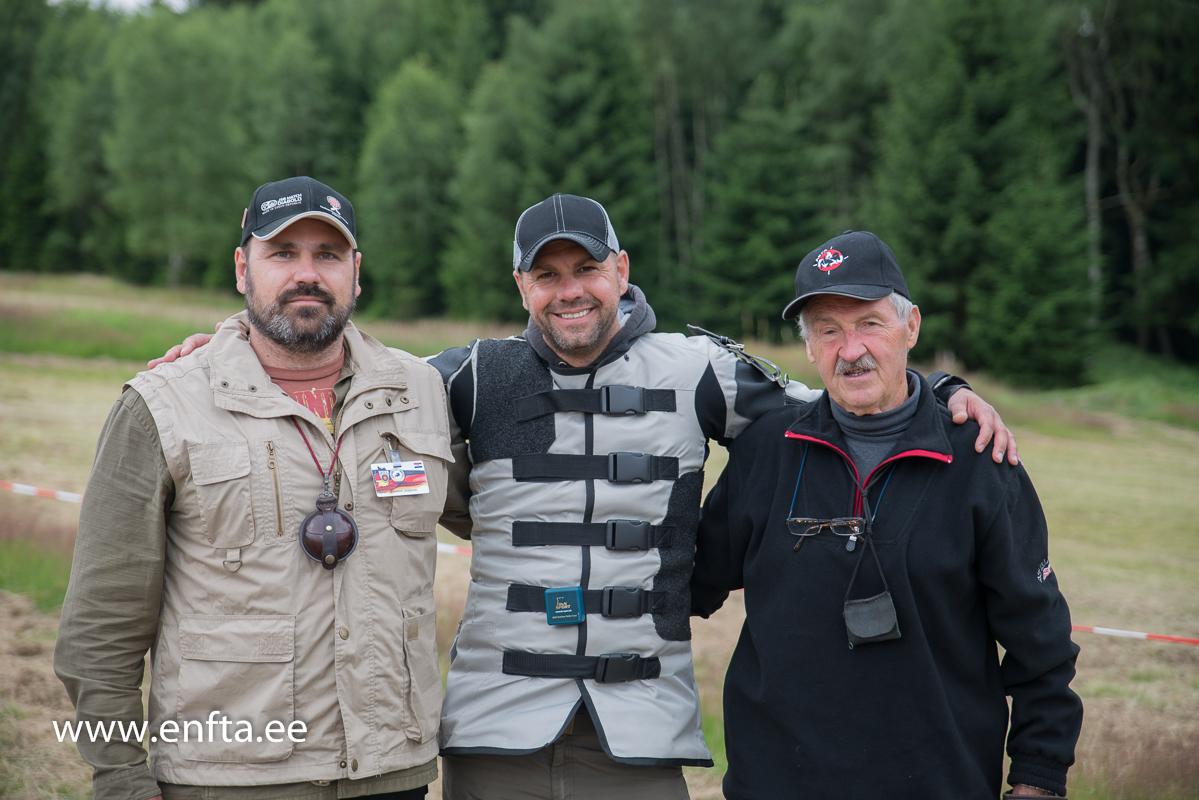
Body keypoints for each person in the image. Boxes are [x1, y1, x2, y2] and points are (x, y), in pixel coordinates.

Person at [156, 195, 1019, 800]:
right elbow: (333, 374)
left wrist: (941, 390)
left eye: (588, 268)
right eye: (547, 273)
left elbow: (840, 404)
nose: (570, 289)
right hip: (496, 730)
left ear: (621, 269)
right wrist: (223, 351)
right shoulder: (467, 374)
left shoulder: (697, 369)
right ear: (521, 285)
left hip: (637, 731)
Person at [54, 177, 453, 800]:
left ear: (356, 272)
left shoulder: (423, 392)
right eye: (282, 253)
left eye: (328, 254)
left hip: (388, 773)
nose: (307, 274)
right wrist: (122, 780)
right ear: (243, 269)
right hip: (228, 779)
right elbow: (100, 628)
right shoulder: (160, 407)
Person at [690, 230, 1083, 800]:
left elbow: (1040, 642)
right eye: (828, 330)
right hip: (775, 784)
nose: (850, 350)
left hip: (936, 783)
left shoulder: (979, 459)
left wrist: (1038, 777)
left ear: (911, 327)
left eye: (870, 323)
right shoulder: (767, 450)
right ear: (809, 347)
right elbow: (686, 585)